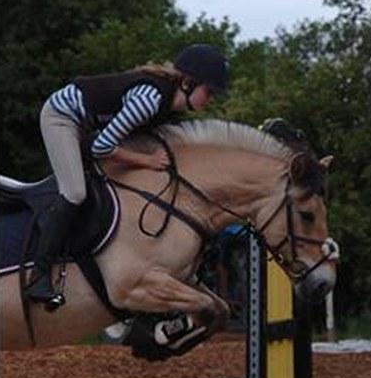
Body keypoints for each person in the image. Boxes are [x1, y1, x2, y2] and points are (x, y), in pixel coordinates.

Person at [24, 44, 229, 305]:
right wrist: (147, 160)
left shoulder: (167, 107)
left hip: (88, 127)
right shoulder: (150, 100)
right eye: (208, 91)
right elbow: (102, 147)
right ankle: (37, 276)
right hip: (62, 117)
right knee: (75, 191)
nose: (209, 99)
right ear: (188, 83)